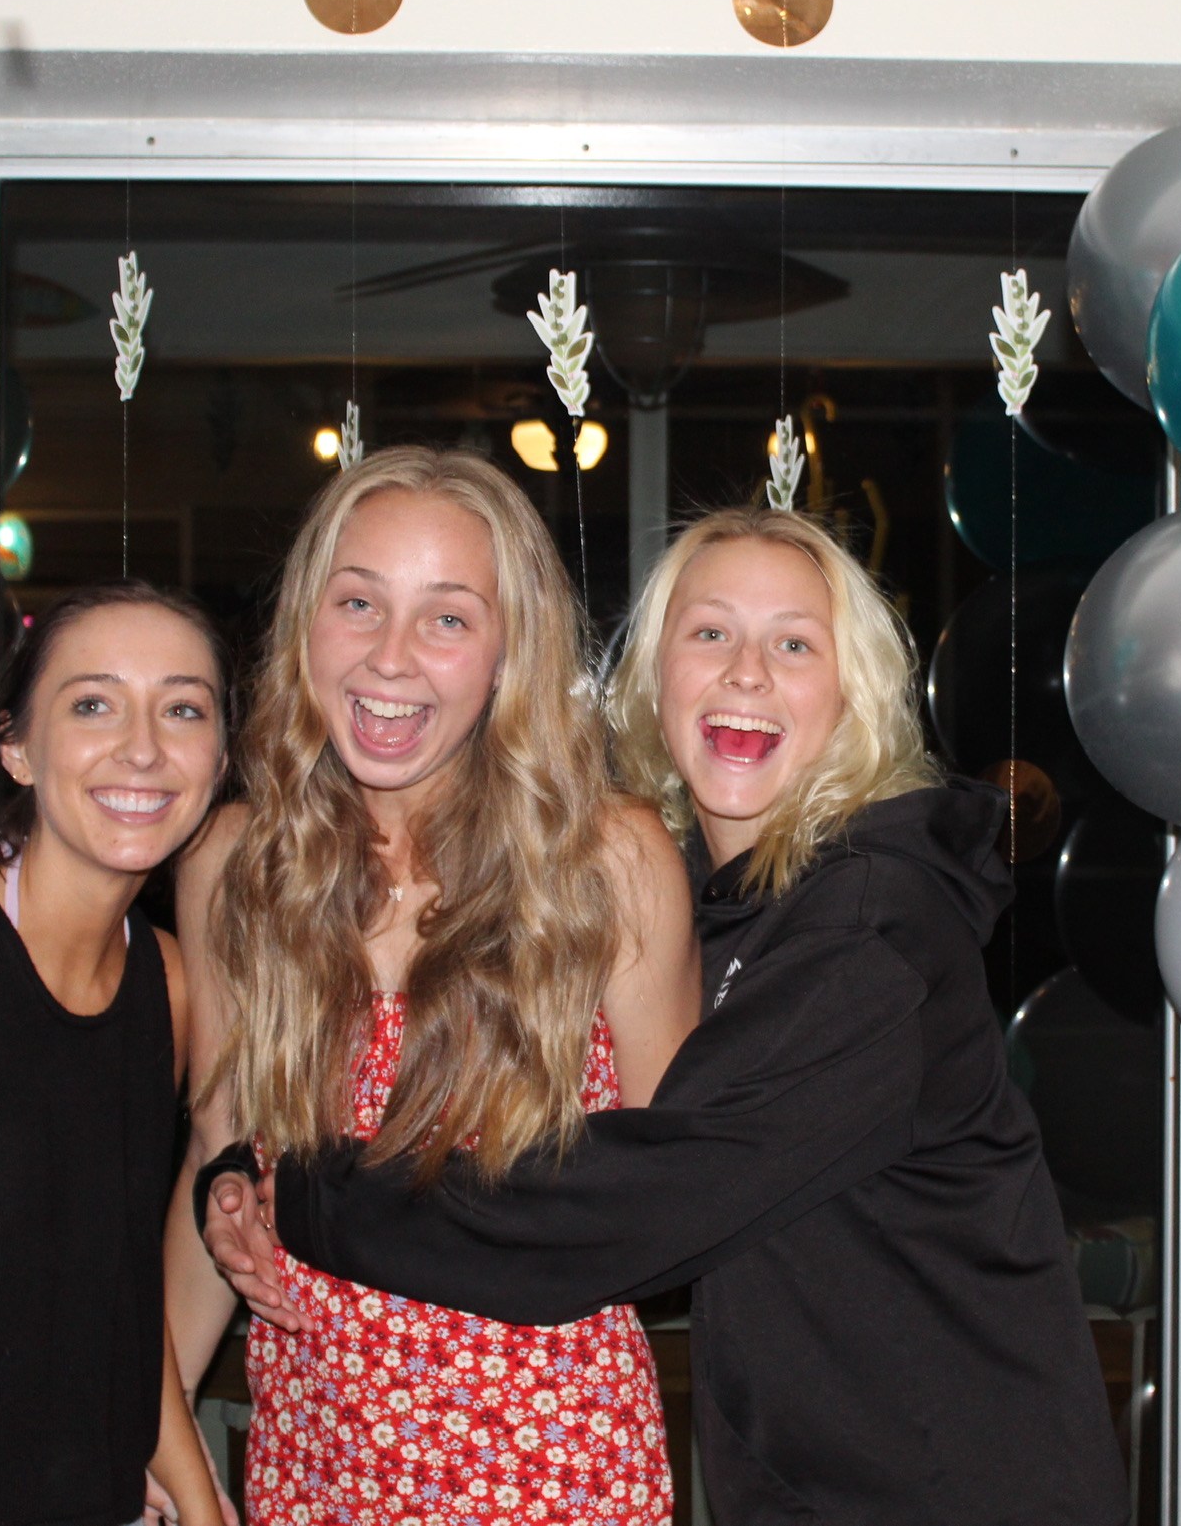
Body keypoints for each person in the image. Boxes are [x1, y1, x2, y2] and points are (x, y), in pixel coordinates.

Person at [203, 505, 1132, 1525]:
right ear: (653, 679)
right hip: (825, 1477)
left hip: (954, 1485)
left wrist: (310, 1197)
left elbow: (640, 1200)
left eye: (793, 643)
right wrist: (231, 1170)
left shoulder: (877, 927)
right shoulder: (732, 901)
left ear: (854, 694)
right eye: (709, 632)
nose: (745, 672)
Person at [164, 446, 698, 1526]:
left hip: (554, 1473)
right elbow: (218, 1158)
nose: (389, 656)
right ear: (305, 622)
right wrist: (150, 1426)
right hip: (313, 1466)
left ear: (508, 654)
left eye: (447, 617)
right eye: (358, 602)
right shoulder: (235, 862)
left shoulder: (607, 860)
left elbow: (673, 1202)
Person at [0, 580, 231, 1526]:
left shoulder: (167, 982)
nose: (142, 747)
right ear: (17, 747)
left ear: (220, 760)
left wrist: (201, 1503)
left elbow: (119, 1298)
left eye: (182, 709)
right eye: (93, 704)